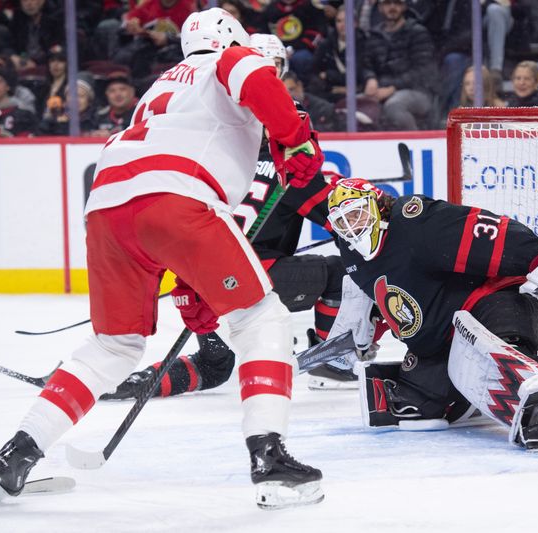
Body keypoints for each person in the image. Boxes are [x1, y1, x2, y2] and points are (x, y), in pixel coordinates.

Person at [0, 8, 326, 510]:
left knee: (114, 347)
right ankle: (270, 458)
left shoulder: (163, 86)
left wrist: (192, 279)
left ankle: (16, 453)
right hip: (177, 198)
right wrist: (294, 136)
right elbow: (250, 74)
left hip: (108, 208)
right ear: (230, 39)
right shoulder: (229, 62)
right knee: (261, 319)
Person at [104, 34, 348, 400]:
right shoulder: (286, 160)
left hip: (197, 281)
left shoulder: (213, 150)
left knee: (214, 364)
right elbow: (334, 214)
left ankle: (132, 382)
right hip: (251, 281)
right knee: (341, 275)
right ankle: (330, 362)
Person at [324, 178, 538, 448]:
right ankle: (467, 402)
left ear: (378, 206)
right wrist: (363, 334)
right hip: (441, 338)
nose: (352, 227)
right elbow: (386, 295)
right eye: (342, 221)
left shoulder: (414, 221)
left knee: (496, 356)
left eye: (357, 214)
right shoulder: (351, 253)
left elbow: (483, 231)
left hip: (491, 300)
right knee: (415, 405)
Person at [362, 0, 437, 130]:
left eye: (397, 3)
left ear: (404, 6)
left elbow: (423, 71)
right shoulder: (373, 35)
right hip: (381, 89)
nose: (392, 7)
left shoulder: (417, 32)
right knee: (352, 105)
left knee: (394, 106)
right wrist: (370, 78)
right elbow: (365, 64)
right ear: (380, 7)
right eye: (387, 3)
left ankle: (416, 143)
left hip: (418, 91)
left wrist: (393, 87)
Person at [91, 71, 138, 137]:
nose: (117, 94)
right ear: (106, 94)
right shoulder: (98, 116)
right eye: (112, 91)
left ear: (132, 92)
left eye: (122, 89)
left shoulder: (141, 114)